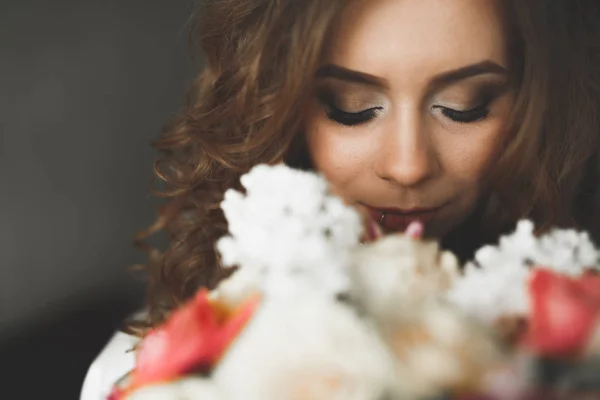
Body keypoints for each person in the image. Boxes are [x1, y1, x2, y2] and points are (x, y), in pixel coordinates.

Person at [81, 0, 600, 398]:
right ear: (281, 113)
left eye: (465, 107)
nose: (408, 165)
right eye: (351, 107)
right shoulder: (156, 373)